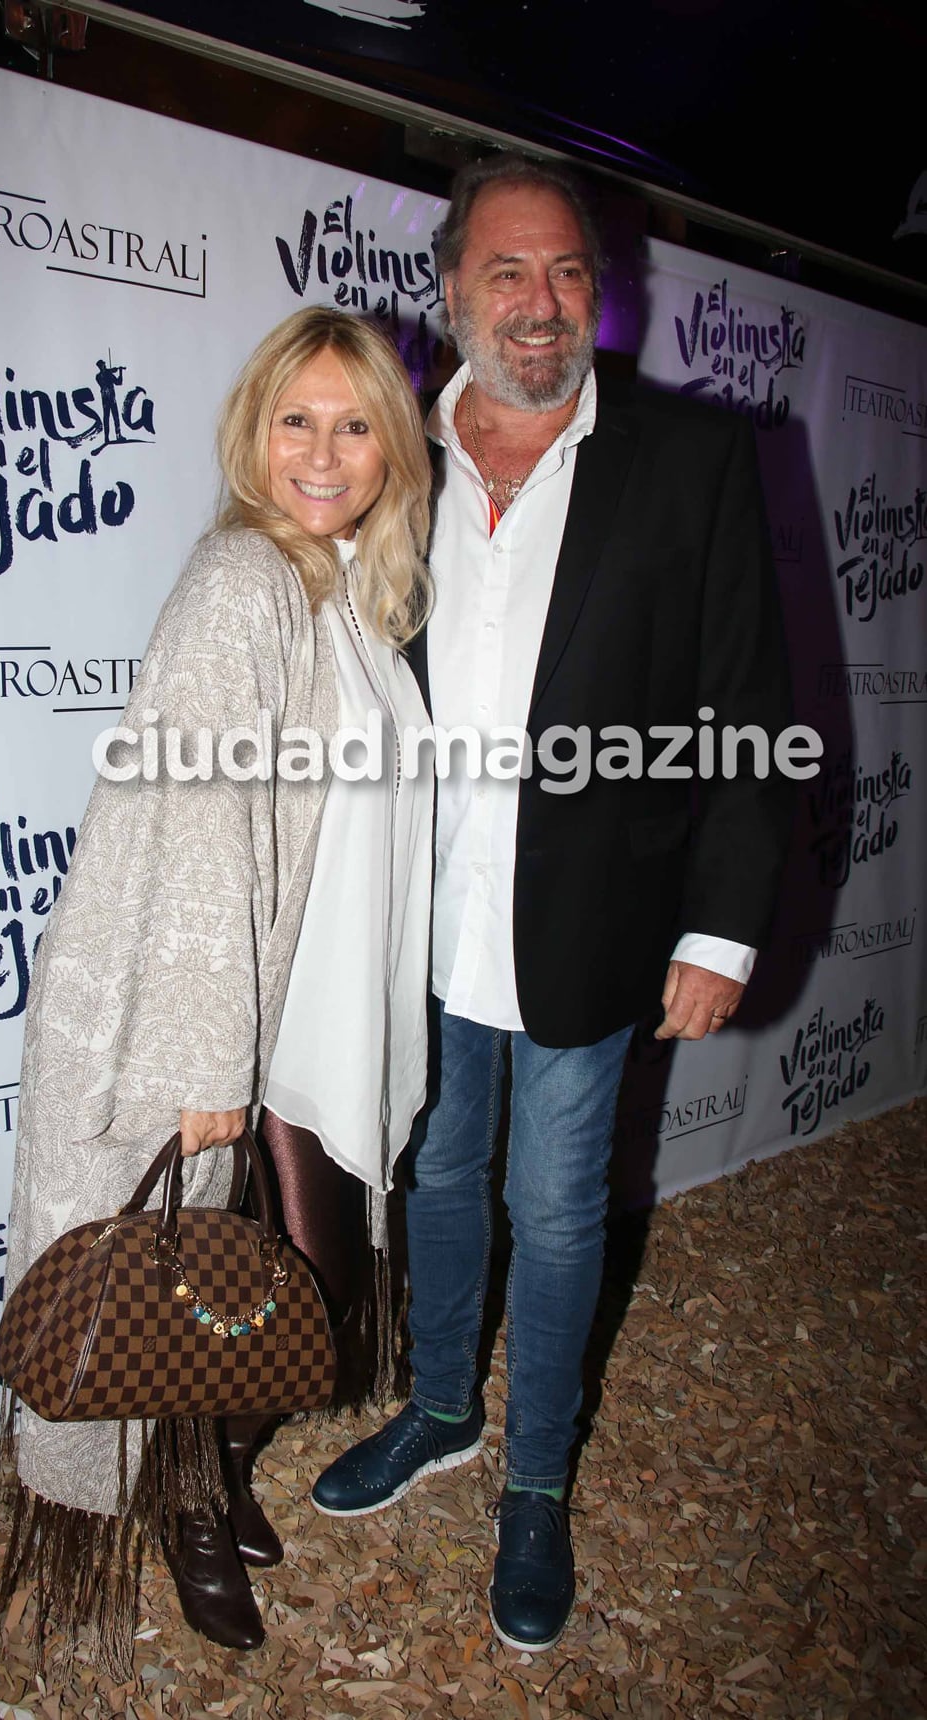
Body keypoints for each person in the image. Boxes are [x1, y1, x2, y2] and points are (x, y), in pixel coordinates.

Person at [310, 156, 794, 1654]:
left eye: (569, 272)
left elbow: (745, 709)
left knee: (557, 1205)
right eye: (508, 273)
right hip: (422, 916)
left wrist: (718, 932)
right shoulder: (389, 451)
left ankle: (535, 1484)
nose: (540, 303)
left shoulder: (691, 459)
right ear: (451, 286)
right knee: (440, 1181)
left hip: (592, 930)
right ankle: (445, 1409)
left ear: (604, 289)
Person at [0, 306, 433, 1670]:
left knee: (303, 1294)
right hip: (231, 1010)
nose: (323, 449)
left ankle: (217, 1475)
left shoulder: (350, 591)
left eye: (354, 422)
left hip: (311, 1000)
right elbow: (197, 820)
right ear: (254, 433)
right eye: (295, 419)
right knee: (273, 1290)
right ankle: (193, 1494)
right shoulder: (244, 580)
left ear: (391, 448)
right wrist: (200, 1064)